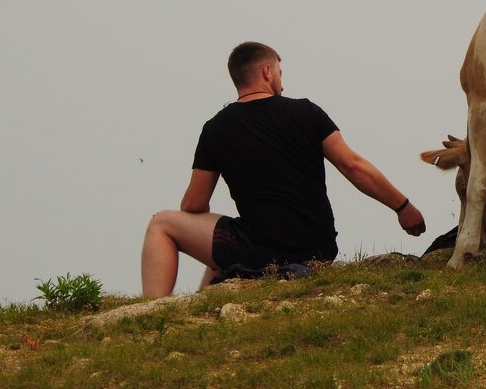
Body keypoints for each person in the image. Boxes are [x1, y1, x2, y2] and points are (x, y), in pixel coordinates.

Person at [140, 42, 426, 297]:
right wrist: (402, 206)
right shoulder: (306, 112)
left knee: (162, 222)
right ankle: (203, 302)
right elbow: (352, 165)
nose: (282, 83)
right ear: (267, 71)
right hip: (318, 249)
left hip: (258, 250)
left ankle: (152, 309)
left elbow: (194, 204)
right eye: (280, 73)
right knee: (225, 247)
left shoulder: (216, 128)